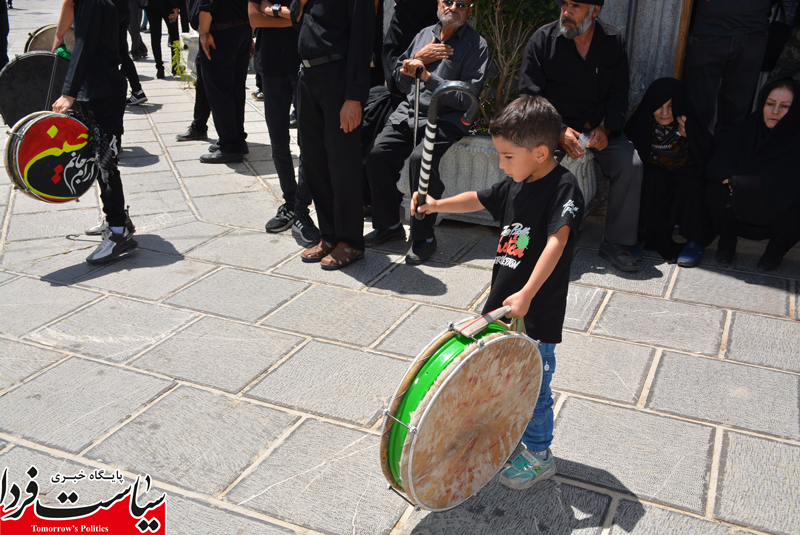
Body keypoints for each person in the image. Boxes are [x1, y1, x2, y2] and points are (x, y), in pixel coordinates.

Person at [412, 95, 584, 489]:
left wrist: (527, 293)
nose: (501, 164)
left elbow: (557, 242)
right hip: (503, 309)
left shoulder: (564, 188)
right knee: (503, 379)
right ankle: (511, 433)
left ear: (540, 152)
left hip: (535, 313)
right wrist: (436, 204)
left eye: (507, 156)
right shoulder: (516, 183)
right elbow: (478, 198)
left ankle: (539, 454)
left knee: (533, 386)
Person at [519, 0, 642, 273]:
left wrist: (606, 128)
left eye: (575, 5)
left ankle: (615, 242)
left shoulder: (612, 40)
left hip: (599, 127)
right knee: (535, 163)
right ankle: (529, 238)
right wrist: (559, 130)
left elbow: (619, 92)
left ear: (594, 10)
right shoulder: (543, 39)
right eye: (563, 3)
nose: (566, 11)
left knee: (630, 164)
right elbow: (529, 95)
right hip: (553, 126)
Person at [365, 0, 488, 264]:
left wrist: (426, 76)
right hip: (410, 113)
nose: (453, 7)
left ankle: (424, 237)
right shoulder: (423, 34)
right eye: (447, 1)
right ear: (438, 3)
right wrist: (418, 59)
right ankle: (389, 225)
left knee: (420, 160)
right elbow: (399, 83)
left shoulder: (477, 45)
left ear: (470, 9)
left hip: (446, 119)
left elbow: (465, 98)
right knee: (378, 154)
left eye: (461, 3)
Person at [290, 0, 375, 270]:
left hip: (338, 78)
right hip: (307, 76)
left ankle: (350, 241)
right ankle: (329, 236)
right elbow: (296, 19)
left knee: (343, 163)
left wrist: (354, 97)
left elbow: (363, 39)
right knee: (314, 162)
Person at [52, 0, 137, 264]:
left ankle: (118, 233)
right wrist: (58, 36)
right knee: (100, 162)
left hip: (102, 92)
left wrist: (68, 92)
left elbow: (84, 45)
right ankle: (117, 220)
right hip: (99, 88)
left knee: (106, 164)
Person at [706, 78, 800, 271]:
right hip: (741, 206)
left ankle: (775, 251)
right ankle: (726, 244)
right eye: (770, 104)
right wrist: (734, 182)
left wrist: (746, 183)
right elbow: (716, 166)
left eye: (785, 106)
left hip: (778, 212)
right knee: (715, 188)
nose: (775, 111)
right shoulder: (748, 128)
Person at [248, 0, 320, 245]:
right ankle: (290, 202)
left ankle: (301, 209)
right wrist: (291, 17)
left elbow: (307, 16)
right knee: (278, 141)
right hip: (271, 65)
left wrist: (272, 10)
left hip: (303, 62)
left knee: (307, 142)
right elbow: (254, 18)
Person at [623, 78, 713, 266]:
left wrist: (692, 135)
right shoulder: (642, 122)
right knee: (650, 178)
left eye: (671, 106)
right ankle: (635, 236)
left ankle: (694, 242)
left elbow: (710, 158)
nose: (664, 113)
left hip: (684, 176)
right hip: (656, 175)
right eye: (659, 106)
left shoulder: (688, 123)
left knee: (692, 184)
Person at [683, 0, 772, 135]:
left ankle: (727, 148)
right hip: (709, 30)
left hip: (753, 31)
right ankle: (693, 146)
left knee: (737, 109)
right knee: (697, 106)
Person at [196, 0, 251, 163]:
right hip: (242, 28)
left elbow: (207, 4)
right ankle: (237, 139)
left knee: (219, 92)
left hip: (220, 32)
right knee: (236, 89)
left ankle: (230, 145)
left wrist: (204, 31)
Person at [144, 0, 180, 79]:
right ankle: (175, 65)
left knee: (155, 36)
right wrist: (175, 5)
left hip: (151, 5)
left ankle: (159, 67)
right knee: (174, 34)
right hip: (168, 4)